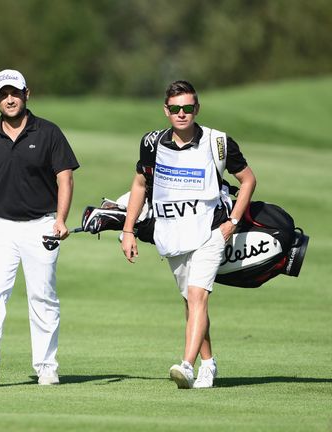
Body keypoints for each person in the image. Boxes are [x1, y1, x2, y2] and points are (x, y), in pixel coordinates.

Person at [120, 80, 257, 389]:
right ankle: (208, 363)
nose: (181, 114)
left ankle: (186, 365)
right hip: (172, 233)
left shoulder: (218, 142)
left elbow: (248, 180)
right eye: (175, 109)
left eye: (187, 108)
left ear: (197, 109)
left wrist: (233, 221)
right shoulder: (152, 143)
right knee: (191, 301)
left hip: (212, 230)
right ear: (165, 110)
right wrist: (128, 230)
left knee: (197, 295)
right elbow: (140, 185)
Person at [0, 69, 79, 386]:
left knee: (43, 296)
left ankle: (46, 367)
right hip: (0, 228)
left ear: (27, 94)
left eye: (15, 93)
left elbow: (65, 177)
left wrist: (60, 219)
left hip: (42, 226)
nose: (9, 99)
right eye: (3, 95)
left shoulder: (48, 132)